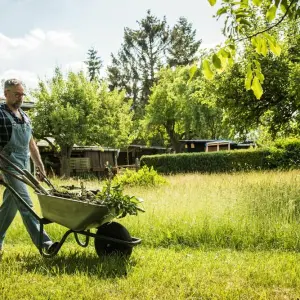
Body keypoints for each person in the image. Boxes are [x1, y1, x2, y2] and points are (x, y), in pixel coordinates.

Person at [0, 79, 57, 257]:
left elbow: (31, 144)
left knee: (11, 205)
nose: (20, 98)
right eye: (16, 94)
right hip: (8, 164)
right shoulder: (0, 115)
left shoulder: (24, 116)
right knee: (26, 203)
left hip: (25, 163)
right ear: (6, 93)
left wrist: (39, 165)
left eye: (22, 94)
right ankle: (46, 244)